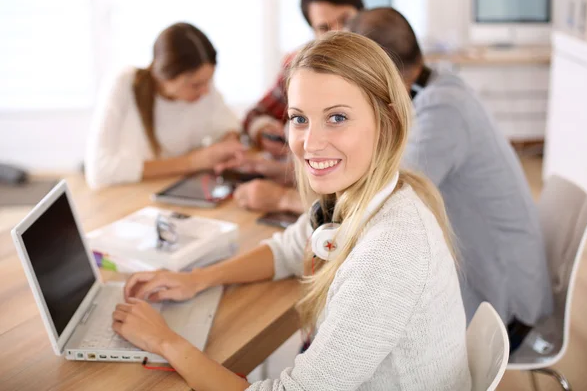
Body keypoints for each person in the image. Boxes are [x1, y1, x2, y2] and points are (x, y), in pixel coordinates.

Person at [111, 32, 471, 390]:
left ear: (387, 122)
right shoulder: (366, 194)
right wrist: (197, 279)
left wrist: (165, 341)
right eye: (299, 119)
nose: (309, 144)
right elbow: (287, 250)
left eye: (337, 118)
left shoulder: (388, 253)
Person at [346, 8, 554, 349]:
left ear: (380, 70)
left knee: (379, 329)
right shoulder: (439, 87)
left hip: (506, 304)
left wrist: (284, 198)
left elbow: (388, 193)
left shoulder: (445, 111)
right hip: (495, 271)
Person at [223, 0, 365, 213]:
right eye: (324, 28)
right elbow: (255, 114)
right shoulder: (302, 65)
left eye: (346, 21)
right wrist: (264, 131)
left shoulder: (381, 71)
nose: (338, 34)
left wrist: (283, 198)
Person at [85, 22, 245, 189]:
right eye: (195, 84)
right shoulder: (124, 83)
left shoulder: (204, 91)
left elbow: (229, 125)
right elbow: (99, 171)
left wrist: (229, 145)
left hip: (178, 189)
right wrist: (193, 161)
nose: (205, 91)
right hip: (132, 194)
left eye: (209, 81)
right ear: (164, 76)